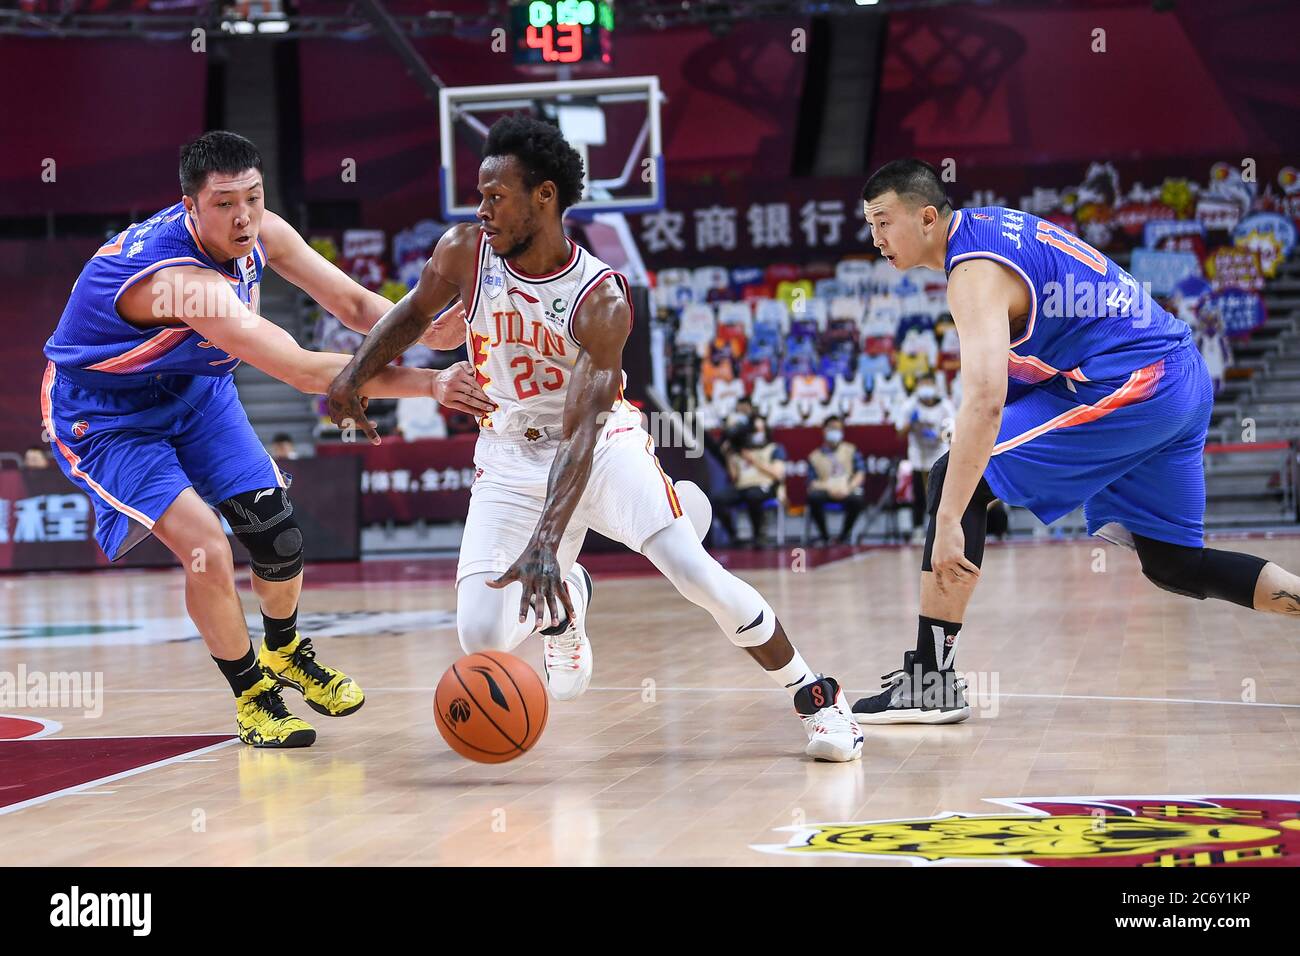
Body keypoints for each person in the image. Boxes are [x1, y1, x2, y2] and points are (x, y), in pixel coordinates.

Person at [325, 115, 861, 761]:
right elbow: (412, 313)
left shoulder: (599, 298)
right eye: (479, 196)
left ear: (543, 197)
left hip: (599, 447)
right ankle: (568, 603)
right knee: (481, 633)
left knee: (696, 575)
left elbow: (580, 434)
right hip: (506, 451)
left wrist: (548, 545)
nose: (482, 209)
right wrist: (351, 377)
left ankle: (819, 699)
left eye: (497, 196)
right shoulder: (464, 251)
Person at [40, 130, 492, 748]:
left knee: (276, 532)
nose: (244, 216)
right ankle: (253, 696)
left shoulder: (262, 230)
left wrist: (425, 328)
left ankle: (285, 651)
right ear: (189, 206)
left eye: (252, 197)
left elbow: (354, 306)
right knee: (206, 545)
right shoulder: (182, 283)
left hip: (195, 390)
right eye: (224, 203)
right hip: (108, 416)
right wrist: (432, 385)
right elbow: (302, 370)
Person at [852, 157, 1300, 725]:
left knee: (955, 480)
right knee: (1174, 564)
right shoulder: (990, 229)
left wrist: (947, 520)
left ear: (925, 217)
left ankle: (931, 681)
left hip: (1144, 383)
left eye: (882, 221)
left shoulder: (973, 274)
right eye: (870, 225)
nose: (876, 238)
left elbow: (987, 402)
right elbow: (1032, 366)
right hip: (1174, 378)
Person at [895, 371, 955, 542]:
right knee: (919, 496)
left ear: (936, 387)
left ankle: (940, 531)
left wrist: (936, 436)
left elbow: (951, 435)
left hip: (938, 454)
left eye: (929, 385)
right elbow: (900, 433)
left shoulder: (945, 406)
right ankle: (918, 530)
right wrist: (911, 423)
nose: (926, 389)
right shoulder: (909, 406)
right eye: (922, 385)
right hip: (918, 457)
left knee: (940, 495)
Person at [716, 414, 786, 549]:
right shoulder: (737, 451)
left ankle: (759, 537)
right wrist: (728, 456)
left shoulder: (774, 449)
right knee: (718, 499)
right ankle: (734, 536)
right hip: (742, 487)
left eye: (760, 430)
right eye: (754, 431)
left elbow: (778, 474)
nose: (756, 434)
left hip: (765, 485)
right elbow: (734, 477)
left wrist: (753, 460)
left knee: (753, 495)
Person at [806, 416, 867, 544]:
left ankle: (844, 536)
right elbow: (811, 483)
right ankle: (825, 537)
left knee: (858, 498)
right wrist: (829, 489)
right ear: (824, 431)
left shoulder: (851, 450)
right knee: (813, 497)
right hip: (826, 490)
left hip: (846, 489)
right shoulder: (815, 456)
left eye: (838, 429)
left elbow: (860, 473)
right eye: (832, 429)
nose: (835, 432)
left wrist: (848, 488)